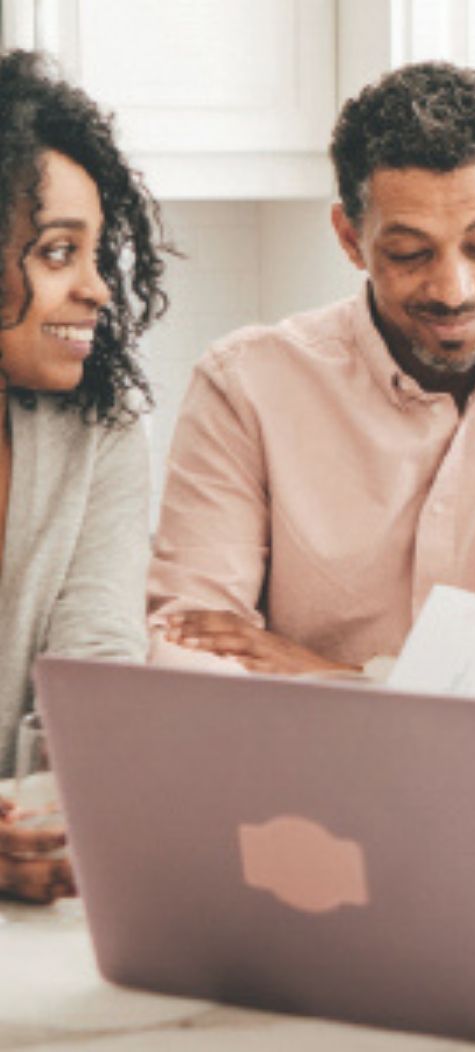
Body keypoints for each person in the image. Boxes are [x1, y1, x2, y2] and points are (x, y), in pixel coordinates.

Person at [148, 61, 475, 674]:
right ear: (350, 238)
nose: (453, 289)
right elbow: (192, 646)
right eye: (409, 253)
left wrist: (340, 677)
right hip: (304, 767)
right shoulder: (243, 387)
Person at [0, 50, 168, 901]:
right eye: (59, 252)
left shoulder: (100, 429)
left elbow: (96, 678)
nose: (99, 289)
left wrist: (71, 808)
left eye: (97, 254)